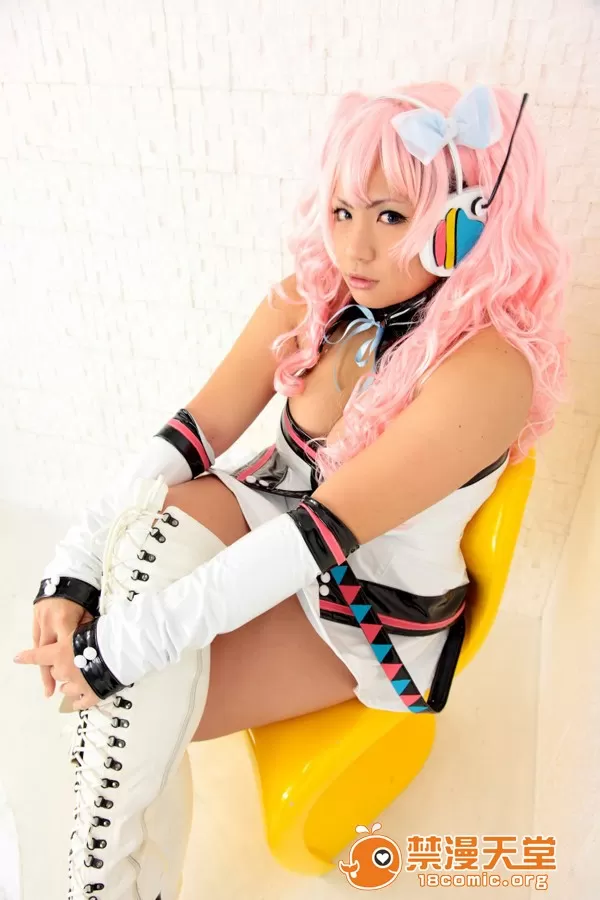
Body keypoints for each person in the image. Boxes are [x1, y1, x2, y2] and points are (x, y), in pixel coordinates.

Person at [14, 82, 569, 899]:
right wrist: (75, 566)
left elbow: (321, 537)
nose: (355, 248)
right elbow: (190, 435)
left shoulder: (487, 372)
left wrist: (122, 650)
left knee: (126, 696)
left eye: (391, 216)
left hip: (362, 610)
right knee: (145, 542)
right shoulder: (318, 300)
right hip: (274, 519)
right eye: (343, 211)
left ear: (468, 223)